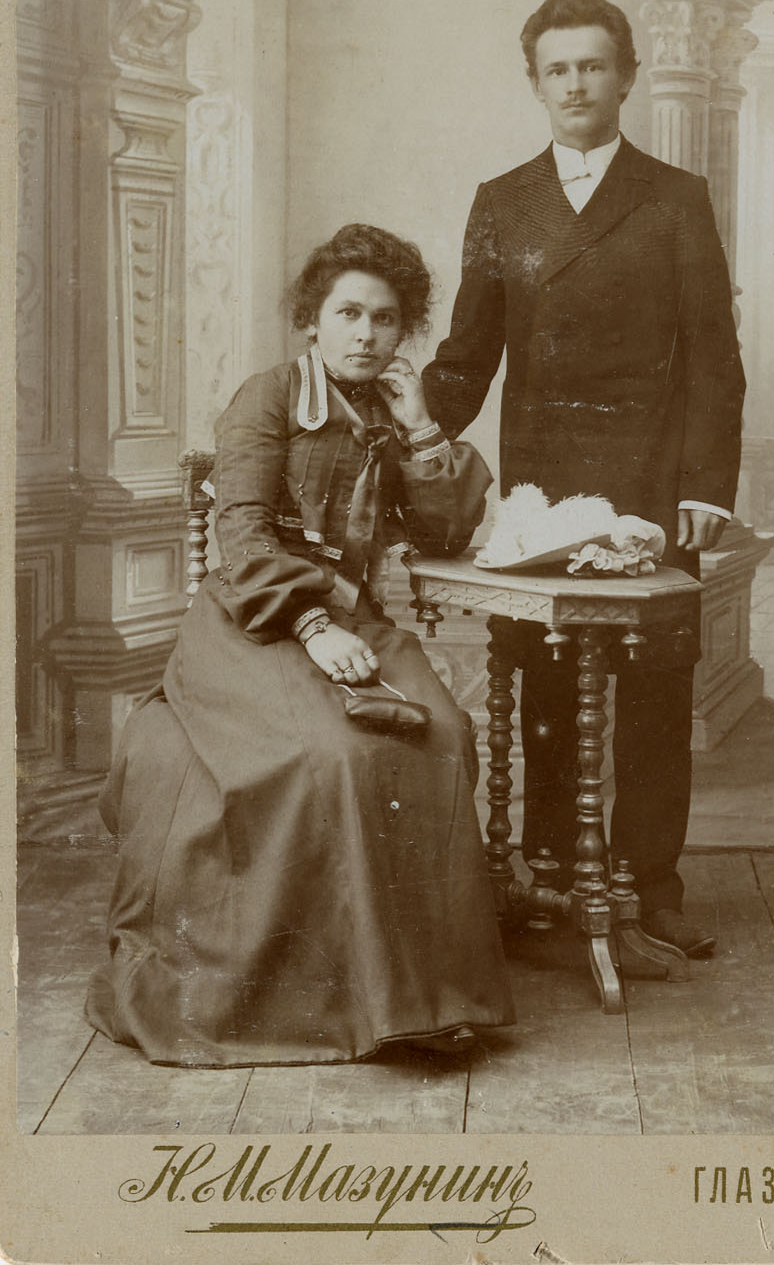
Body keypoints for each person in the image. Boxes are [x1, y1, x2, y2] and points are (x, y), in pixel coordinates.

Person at [86, 224, 515, 1065]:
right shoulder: (270, 396)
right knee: (335, 752)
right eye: (348, 313)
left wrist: (421, 427)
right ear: (311, 320)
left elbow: (443, 533)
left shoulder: (389, 412)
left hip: (356, 619)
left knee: (443, 733)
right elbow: (242, 531)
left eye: (385, 319)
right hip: (256, 619)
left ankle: (429, 994)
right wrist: (313, 627)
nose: (366, 334)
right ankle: (343, 999)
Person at [423, 0, 746, 958]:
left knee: (653, 691)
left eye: (593, 65)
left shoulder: (675, 196)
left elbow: (714, 356)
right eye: (557, 69)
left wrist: (704, 486)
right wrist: (418, 424)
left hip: (651, 483)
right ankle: (552, 881)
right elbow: (469, 352)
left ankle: (652, 886)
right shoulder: (501, 201)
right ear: (535, 83)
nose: (575, 84)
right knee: (548, 685)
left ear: (626, 77)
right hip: (543, 494)